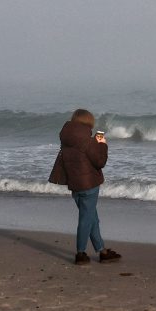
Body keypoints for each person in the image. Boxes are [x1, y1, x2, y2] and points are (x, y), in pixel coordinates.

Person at [51, 108, 121, 265]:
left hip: (75, 185)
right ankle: (80, 253)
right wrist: (102, 144)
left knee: (91, 218)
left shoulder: (66, 141)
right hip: (89, 185)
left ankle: (102, 251)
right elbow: (100, 162)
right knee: (86, 219)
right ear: (88, 122)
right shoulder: (88, 141)